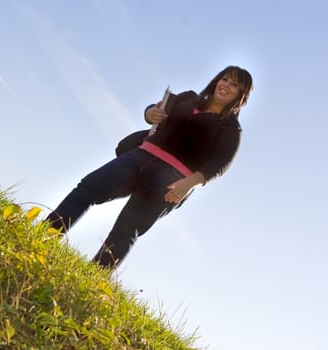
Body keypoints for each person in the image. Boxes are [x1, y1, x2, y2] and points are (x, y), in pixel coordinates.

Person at [45, 65, 254, 269]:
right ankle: (45, 237)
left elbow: (220, 164)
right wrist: (150, 113)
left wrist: (188, 184)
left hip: (170, 181)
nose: (226, 85)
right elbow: (154, 111)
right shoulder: (188, 98)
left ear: (241, 96)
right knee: (87, 188)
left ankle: (92, 278)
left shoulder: (231, 130)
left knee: (127, 229)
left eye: (234, 84)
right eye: (224, 79)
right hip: (139, 157)